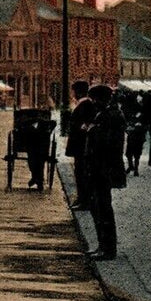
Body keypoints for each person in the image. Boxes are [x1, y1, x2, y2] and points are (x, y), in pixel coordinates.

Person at [83, 83, 127, 260]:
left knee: (103, 208)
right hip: (100, 167)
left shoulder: (111, 116)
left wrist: (92, 130)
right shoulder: (107, 114)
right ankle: (103, 245)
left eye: (94, 99)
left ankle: (107, 248)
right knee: (99, 207)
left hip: (104, 168)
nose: (93, 103)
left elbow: (107, 142)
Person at [65, 81, 94, 209]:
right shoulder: (83, 104)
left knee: (81, 172)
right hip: (80, 145)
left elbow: (83, 125)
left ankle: (84, 200)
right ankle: (81, 198)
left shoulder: (85, 105)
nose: (72, 94)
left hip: (81, 146)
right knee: (79, 171)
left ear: (78, 91)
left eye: (73, 91)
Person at [123, 96, 147, 177]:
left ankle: (132, 167)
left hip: (134, 134)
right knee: (136, 153)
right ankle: (134, 168)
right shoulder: (140, 110)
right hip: (138, 134)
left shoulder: (130, 111)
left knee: (130, 153)